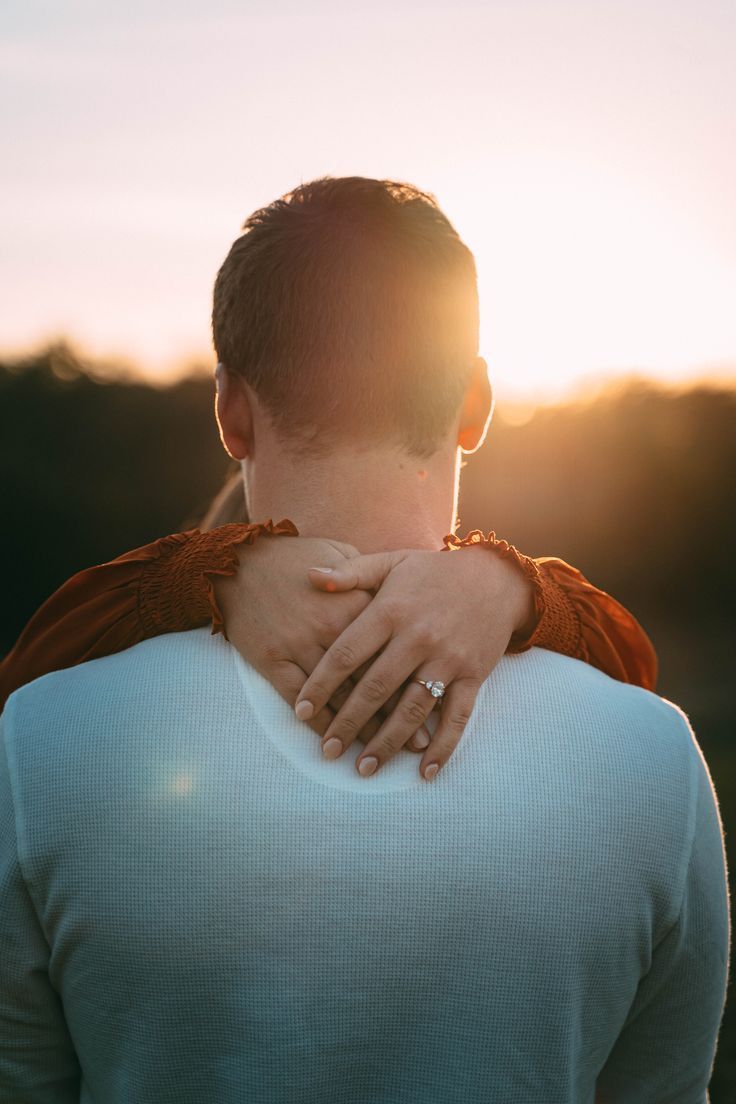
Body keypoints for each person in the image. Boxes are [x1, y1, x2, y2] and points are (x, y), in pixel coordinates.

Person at [0, 176, 727, 1101]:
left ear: (231, 411)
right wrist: (513, 583)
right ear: (475, 403)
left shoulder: (43, 739)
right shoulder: (654, 756)